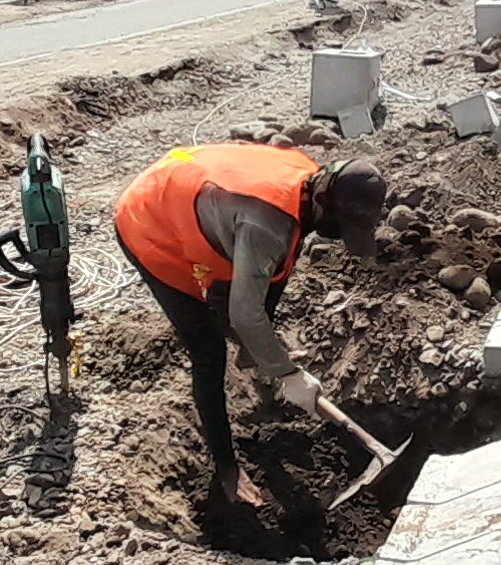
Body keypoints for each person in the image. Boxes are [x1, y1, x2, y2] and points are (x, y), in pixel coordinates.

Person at [114, 144, 389, 506]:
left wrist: (259, 347)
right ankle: (227, 468)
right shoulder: (267, 226)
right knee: (209, 351)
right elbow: (245, 313)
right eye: (341, 225)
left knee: (271, 273)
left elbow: (270, 268)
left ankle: (251, 350)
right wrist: (288, 372)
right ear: (324, 197)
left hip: (206, 198)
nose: (339, 235)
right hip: (152, 219)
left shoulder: (306, 181)